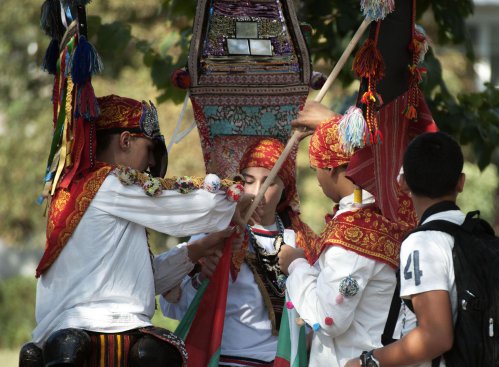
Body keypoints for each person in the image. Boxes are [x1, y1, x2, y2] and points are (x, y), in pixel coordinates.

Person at [20, 94, 258, 367]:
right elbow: (181, 208)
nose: (150, 164)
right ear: (125, 141)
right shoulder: (108, 184)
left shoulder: (77, 190)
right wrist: (236, 199)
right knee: (163, 351)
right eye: (149, 150)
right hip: (93, 332)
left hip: (70, 334)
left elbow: (142, 283)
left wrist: (195, 251)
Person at [160, 138, 316, 367]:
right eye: (250, 182)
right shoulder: (217, 235)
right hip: (224, 360)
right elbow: (170, 307)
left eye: (269, 182)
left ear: (286, 187)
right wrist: (202, 279)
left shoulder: (300, 241)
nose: (257, 192)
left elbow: (317, 310)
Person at [278, 114, 409, 366]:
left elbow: (330, 319)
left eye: (316, 167)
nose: (316, 179)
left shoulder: (353, 231)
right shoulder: (383, 213)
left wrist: (296, 265)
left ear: (330, 167)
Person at [343, 131, 462, 367]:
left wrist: (366, 362)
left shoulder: (423, 242)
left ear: (403, 182)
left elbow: (435, 336)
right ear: (461, 182)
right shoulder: (476, 230)